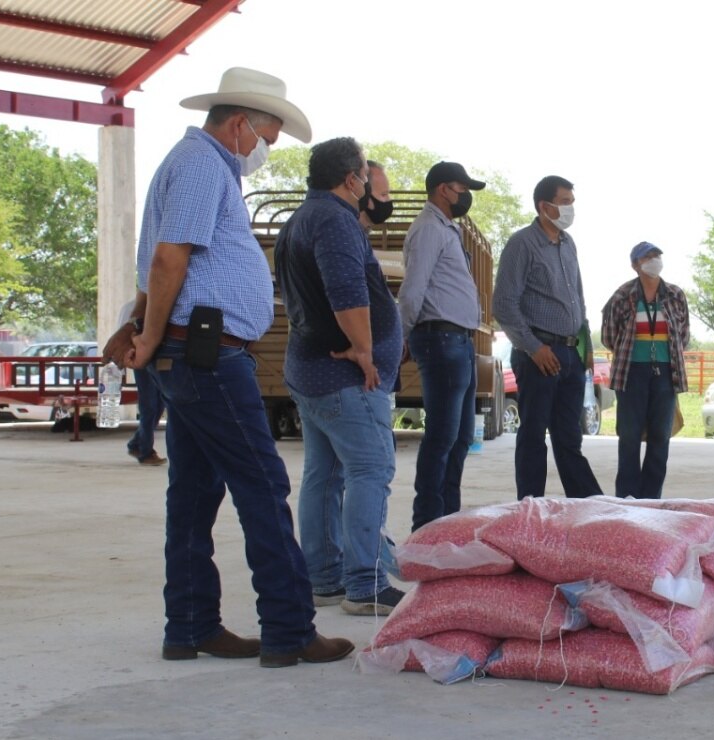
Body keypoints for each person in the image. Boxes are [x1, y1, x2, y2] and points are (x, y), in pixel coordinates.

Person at [104, 67, 352, 666]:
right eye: (267, 133)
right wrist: (153, 332)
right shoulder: (200, 164)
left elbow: (162, 266)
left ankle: (190, 626)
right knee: (263, 487)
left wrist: (145, 327)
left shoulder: (201, 165)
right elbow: (168, 261)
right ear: (240, 123)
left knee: (192, 494)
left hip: (195, 351)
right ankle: (290, 630)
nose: (265, 148)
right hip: (206, 354)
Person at [275, 138, 405, 616]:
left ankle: (324, 579)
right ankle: (364, 583)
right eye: (368, 180)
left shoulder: (300, 219)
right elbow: (347, 292)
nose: (372, 190)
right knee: (371, 471)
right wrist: (366, 353)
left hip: (310, 370)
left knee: (323, 476)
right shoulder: (335, 220)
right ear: (352, 179)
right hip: (345, 375)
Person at [493, 175, 603, 500]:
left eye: (572, 201)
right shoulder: (522, 244)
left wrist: (586, 347)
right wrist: (533, 347)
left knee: (569, 437)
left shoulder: (568, 244)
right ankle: (530, 507)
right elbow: (503, 304)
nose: (571, 208)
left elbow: (578, 300)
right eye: (565, 201)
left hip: (570, 353)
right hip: (538, 354)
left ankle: (589, 506)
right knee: (532, 435)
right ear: (545, 206)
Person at [397, 161, 485, 531]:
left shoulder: (446, 228)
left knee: (461, 436)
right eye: (461, 188)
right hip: (440, 339)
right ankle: (428, 525)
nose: (464, 196)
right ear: (442, 189)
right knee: (443, 437)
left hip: (458, 342)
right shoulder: (429, 228)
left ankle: (449, 520)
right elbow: (413, 287)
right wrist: (401, 336)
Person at [600, 242, 690, 499]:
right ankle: (627, 497)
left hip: (666, 372)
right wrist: (632, 351)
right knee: (629, 437)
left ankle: (652, 498)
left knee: (660, 437)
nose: (654, 260)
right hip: (631, 373)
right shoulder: (622, 295)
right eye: (647, 257)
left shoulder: (675, 294)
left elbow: (683, 335)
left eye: (657, 256)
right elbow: (609, 335)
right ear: (635, 265)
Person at [115, 297, 166, 466]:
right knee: (149, 404)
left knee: (159, 404)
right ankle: (145, 450)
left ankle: (137, 443)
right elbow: (122, 335)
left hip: (159, 357)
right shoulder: (130, 309)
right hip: (141, 358)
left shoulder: (157, 304)